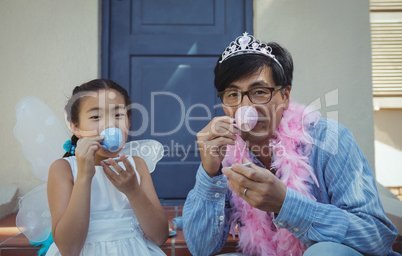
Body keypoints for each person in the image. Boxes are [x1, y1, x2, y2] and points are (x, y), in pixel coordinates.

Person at [183, 33, 399, 256]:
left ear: (285, 96)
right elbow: (201, 248)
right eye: (232, 94)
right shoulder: (227, 155)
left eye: (259, 92)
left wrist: (286, 203)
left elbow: (376, 237)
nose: (245, 107)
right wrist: (209, 174)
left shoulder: (329, 139)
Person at [46, 79, 169, 255]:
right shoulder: (63, 169)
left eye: (118, 115)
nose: (110, 125)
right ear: (76, 128)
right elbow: (69, 248)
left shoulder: (137, 165)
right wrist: (83, 176)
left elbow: (159, 236)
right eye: (95, 117)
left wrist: (133, 191)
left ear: (128, 122)